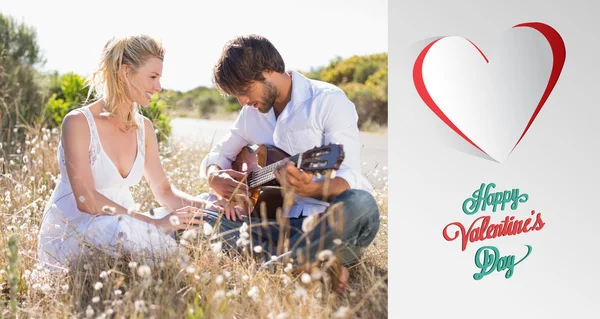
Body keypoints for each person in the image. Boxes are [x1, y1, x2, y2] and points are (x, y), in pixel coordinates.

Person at [199, 34, 380, 291]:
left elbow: (349, 178)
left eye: (245, 91)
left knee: (362, 204)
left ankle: (279, 265)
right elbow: (219, 153)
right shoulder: (251, 114)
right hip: (275, 223)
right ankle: (308, 262)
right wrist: (213, 175)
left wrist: (312, 189)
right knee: (198, 217)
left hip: (327, 223)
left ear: (268, 71)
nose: (243, 102)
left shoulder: (328, 101)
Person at [37, 34, 227, 269]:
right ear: (126, 73)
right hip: (78, 230)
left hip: (129, 224)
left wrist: (209, 209)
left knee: (200, 208)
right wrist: (152, 224)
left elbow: (164, 192)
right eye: (153, 77)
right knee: (127, 231)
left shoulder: (144, 128)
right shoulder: (78, 122)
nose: (158, 87)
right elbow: (86, 200)